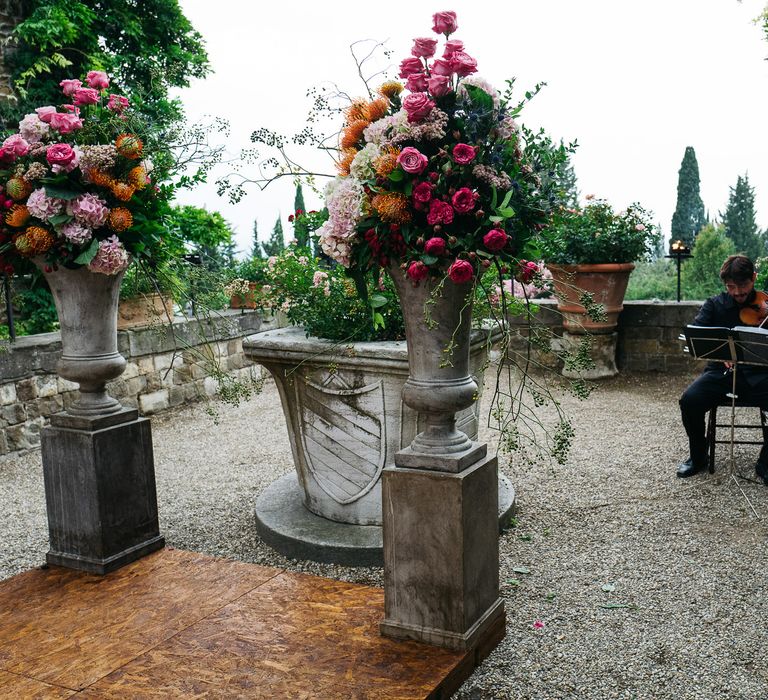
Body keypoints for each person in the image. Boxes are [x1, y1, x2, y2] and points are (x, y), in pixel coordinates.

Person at [678, 254, 768, 481]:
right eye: (731, 287)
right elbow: (696, 334)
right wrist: (720, 356)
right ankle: (698, 457)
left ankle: (766, 463)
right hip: (721, 374)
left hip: (759, 374)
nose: (737, 292)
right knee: (689, 401)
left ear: (754, 278)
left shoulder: (764, 304)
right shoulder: (714, 305)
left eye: (743, 285)